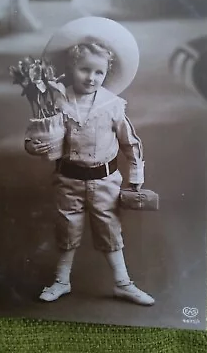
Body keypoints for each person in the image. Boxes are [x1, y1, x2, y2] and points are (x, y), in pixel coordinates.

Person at [25, 17, 155, 306]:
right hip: (68, 180)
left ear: (107, 73)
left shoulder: (112, 105)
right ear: (71, 68)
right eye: (85, 70)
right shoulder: (56, 102)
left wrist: (136, 177)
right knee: (67, 228)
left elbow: (130, 142)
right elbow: (35, 137)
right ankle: (61, 281)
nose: (91, 78)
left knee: (109, 229)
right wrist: (36, 146)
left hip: (105, 181)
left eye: (99, 72)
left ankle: (123, 283)